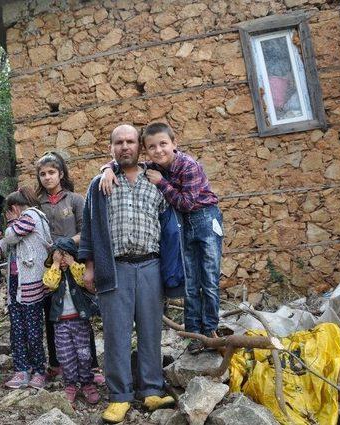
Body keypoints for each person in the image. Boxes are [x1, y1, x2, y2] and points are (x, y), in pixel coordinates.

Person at [100, 122, 222, 355]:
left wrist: (162, 183)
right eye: (152, 147)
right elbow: (119, 162)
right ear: (145, 150)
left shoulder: (189, 166)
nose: (159, 150)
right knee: (190, 281)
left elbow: (186, 202)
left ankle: (211, 330)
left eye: (164, 144)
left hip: (205, 220)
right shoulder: (153, 166)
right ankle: (194, 334)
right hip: (185, 223)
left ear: (174, 144)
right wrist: (106, 169)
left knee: (209, 277)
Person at [79, 124, 174, 424]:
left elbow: (171, 224)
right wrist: (90, 267)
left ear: (139, 146)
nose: (125, 147)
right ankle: (119, 396)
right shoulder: (100, 184)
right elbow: (90, 226)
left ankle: (151, 390)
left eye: (130, 141)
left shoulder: (157, 181)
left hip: (150, 266)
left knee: (150, 331)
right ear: (112, 148)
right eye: (118, 142)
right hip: (115, 267)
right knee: (116, 334)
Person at [35, 152, 103, 383]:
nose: (47, 177)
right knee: (51, 316)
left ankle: (91, 367)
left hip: (74, 264)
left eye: (51, 172)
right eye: (42, 174)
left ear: (61, 174)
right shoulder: (37, 204)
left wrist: (65, 246)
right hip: (49, 266)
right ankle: (57, 365)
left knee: (82, 316)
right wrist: (53, 252)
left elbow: (86, 232)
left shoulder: (75, 199)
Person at [0, 186, 52, 390]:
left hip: (31, 283)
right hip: (17, 284)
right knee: (17, 329)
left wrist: (12, 222)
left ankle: (39, 370)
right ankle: (21, 369)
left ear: (14, 208)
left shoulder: (32, 215)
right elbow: (5, 244)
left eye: (8, 211)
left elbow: (10, 235)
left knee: (32, 331)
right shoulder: (23, 222)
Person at [42, 237, 100, 404]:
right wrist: (55, 264)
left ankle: (87, 383)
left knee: (83, 353)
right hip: (61, 322)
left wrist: (72, 262)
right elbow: (50, 284)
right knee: (66, 355)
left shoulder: (77, 269)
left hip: (79, 320)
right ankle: (70, 384)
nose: (62, 260)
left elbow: (83, 279)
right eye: (59, 256)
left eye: (65, 255)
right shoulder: (54, 273)